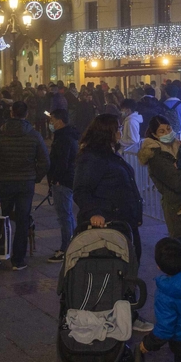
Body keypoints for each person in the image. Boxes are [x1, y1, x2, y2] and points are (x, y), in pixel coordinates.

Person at [73, 113, 154, 333]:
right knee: (121, 270)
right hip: (110, 225)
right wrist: (94, 213)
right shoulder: (92, 158)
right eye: (117, 128)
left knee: (129, 267)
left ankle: (127, 313)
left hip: (124, 222)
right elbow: (81, 190)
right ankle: (126, 314)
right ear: (106, 132)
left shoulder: (109, 155)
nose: (120, 132)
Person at [0, 101, 49, 271]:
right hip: (25, 183)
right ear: (26, 114)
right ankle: (18, 260)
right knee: (22, 220)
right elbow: (45, 160)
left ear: (11, 113)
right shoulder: (34, 135)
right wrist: (35, 177)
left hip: (5, 181)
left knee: (1, 218)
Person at [138, 116, 181, 257]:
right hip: (178, 208)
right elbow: (176, 182)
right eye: (161, 131)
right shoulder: (156, 156)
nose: (167, 133)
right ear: (154, 135)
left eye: (168, 128)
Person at [46, 108, 78, 263]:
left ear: (59, 121)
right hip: (66, 179)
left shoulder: (63, 138)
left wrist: (55, 178)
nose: (50, 123)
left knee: (64, 216)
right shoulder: (68, 135)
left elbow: (62, 162)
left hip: (62, 181)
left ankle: (66, 247)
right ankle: (71, 245)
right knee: (67, 215)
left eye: (52, 120)